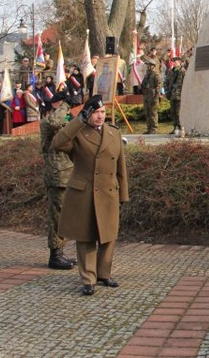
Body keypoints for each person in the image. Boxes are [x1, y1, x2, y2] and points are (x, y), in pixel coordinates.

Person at [53, 95, 128, 296]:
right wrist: (78, 120)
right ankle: (88, 279)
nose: (100, 116)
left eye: (102, 112)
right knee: (86, 237)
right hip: (84, 192)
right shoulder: (77, 133)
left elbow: (121, 168)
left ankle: (104, 273)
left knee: (108, 235)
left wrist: (123, 194)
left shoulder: (114, 133)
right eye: (95, 112)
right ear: (88, 114)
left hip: (108, 190)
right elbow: (57, 144)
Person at [40, 90, 76, 271]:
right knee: (57, 216)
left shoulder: (64, 119)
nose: (65, 108)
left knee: (64, 215)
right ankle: (55, 254)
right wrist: (64, 106)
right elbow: (55, 122)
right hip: (57, 175)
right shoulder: (49, 121)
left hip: (68, 172)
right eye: (61, 104)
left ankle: (60, 251)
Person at [164, 56, 186, 134]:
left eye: (176, 61)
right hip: (172, 94)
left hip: (179, 95)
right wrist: (167, 92)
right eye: (173, 61)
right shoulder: (171, 71)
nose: (174, 63)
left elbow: (185, 84)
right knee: (173, 112)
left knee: (178, 112)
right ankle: (175, 127)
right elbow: (166, 82)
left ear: (180, 62)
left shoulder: (183, 72)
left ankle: (181, 127)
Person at [141, 57, 162, 134]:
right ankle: (149, 128)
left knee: (153, 112)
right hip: (147, 95)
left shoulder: (155, 74)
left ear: (152, 66)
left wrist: (156, 96)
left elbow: (159, 85)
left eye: (149, 65)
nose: (147, 66)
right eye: (147, 65)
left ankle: (154, 128)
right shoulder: (147, 74)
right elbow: (143, 84)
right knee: (147, 112)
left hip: (153, 96)